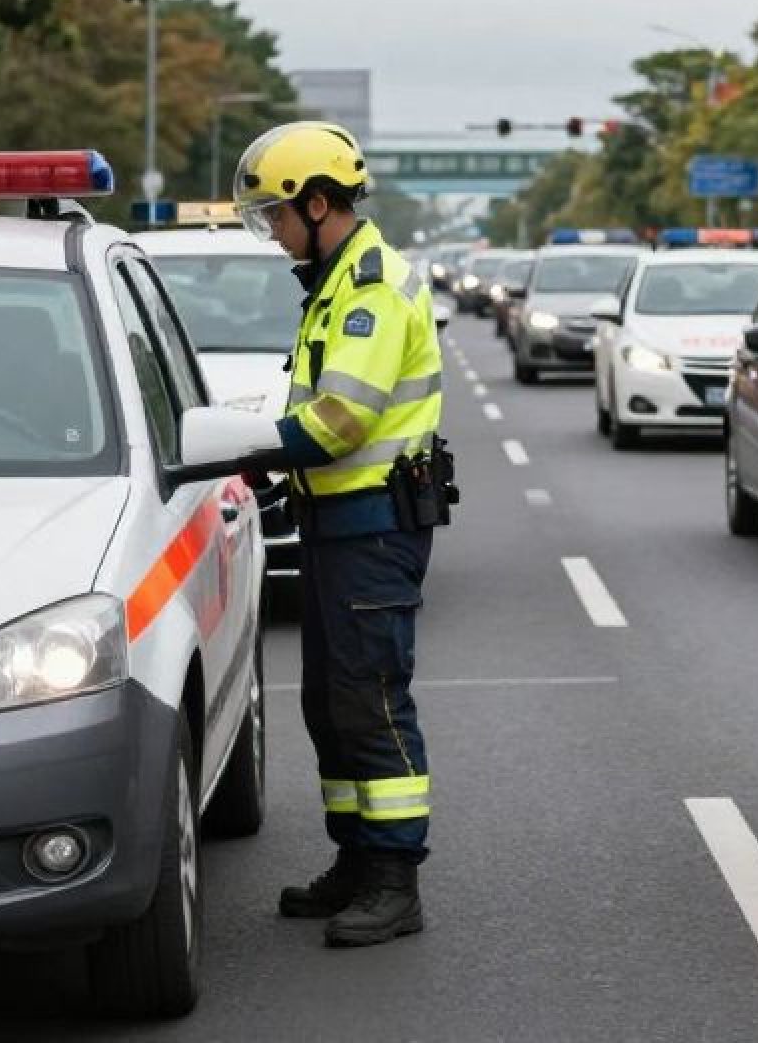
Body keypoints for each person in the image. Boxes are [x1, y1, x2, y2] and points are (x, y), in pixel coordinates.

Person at [232, 120, 449, 947]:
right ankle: (357, 861)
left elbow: (343, 420)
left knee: (371, 703)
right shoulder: (331, 282)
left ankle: (395, 880)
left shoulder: (371, 290)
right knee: (330, 703)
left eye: (277, 217)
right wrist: (274, 467)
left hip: (372, 528)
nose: (274, 233)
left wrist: (249, 447)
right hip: (335, 524)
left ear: (319, 204)